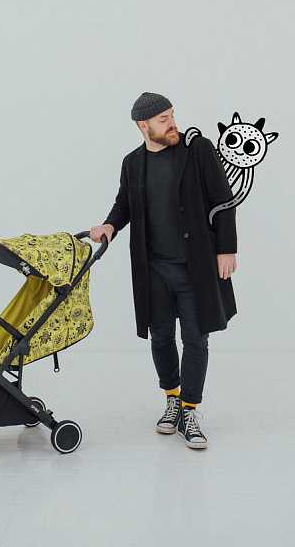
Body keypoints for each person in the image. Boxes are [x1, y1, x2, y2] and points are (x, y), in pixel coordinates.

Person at [90, 92, 237, 449]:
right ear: (143, 126)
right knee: (160, 337)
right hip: (152, 269)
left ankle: (189, 410)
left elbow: (224, 199)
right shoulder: (132, 163)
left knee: (196, 338)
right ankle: (172, 399)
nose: (172, 123)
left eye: (172, 115)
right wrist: (110, 225)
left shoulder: (197, 150)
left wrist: (226, 248)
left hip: (194, 267)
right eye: (163, 119)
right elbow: (124, 203)